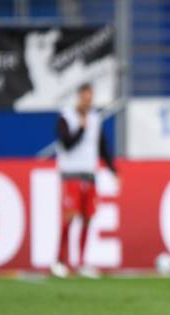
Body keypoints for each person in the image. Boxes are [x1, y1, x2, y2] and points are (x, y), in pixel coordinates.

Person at [50, 83, 117, 279]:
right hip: (71, 175)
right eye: (85, 97)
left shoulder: (96, 119)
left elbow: (102, 147)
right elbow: (66, 143)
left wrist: (113, 170)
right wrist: (80, 128)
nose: (88, 101)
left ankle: (80, 262)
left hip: (90, 175)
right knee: (69, 217)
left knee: (88, 218)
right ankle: (60, 261)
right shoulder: (66, 117)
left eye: (91, 98)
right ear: (79, 97)